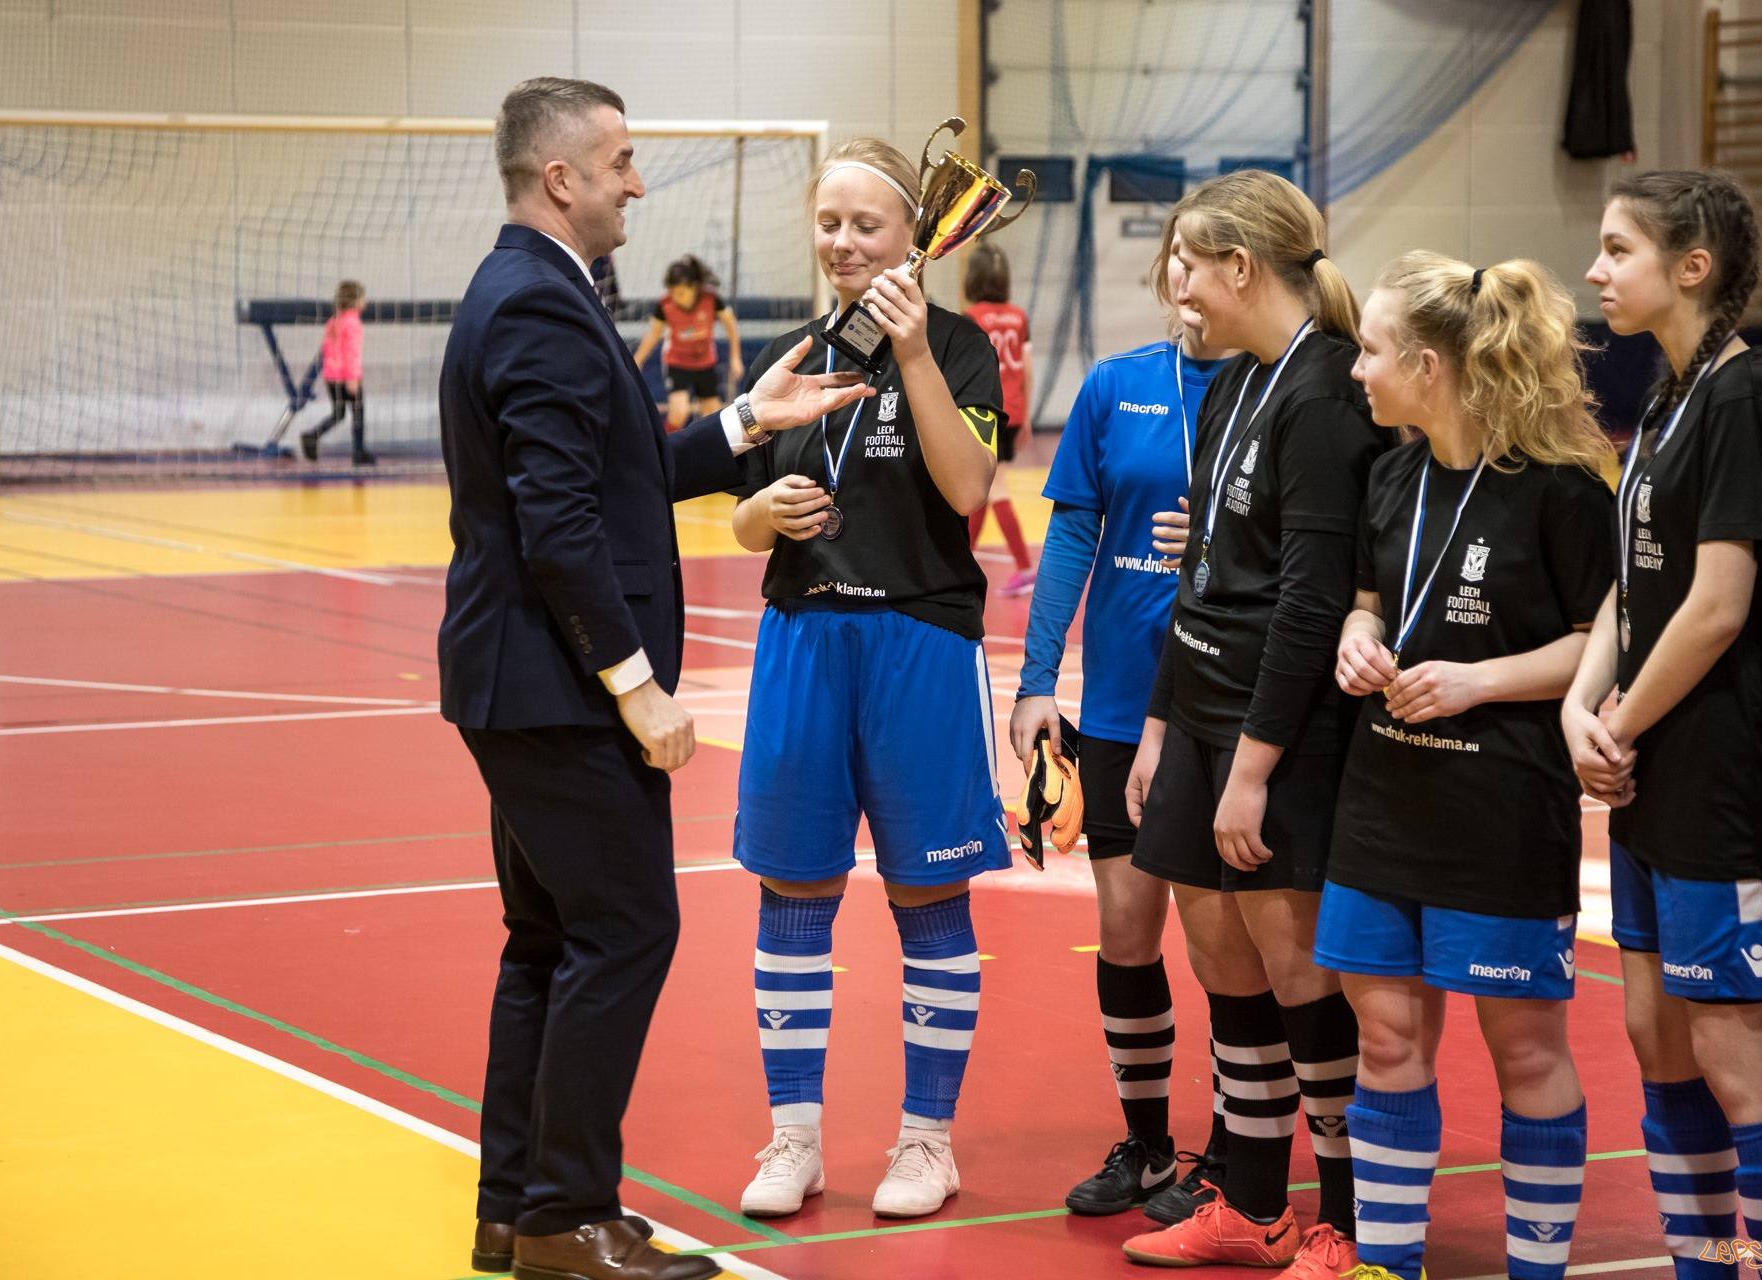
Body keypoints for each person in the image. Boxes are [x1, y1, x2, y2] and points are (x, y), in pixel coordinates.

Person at [439, 77, 869, 1280]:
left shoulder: (540, 294)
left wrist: (742, 422)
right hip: (557, 687)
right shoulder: (538, 306)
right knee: (626, 927)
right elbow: (560, 525)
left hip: (521, 683)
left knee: (551, 939)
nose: (638, 180)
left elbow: (620, 472)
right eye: (620, 160)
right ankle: (570, 1219)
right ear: (561, 177)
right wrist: (634, 682)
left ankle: (516, 1210)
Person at [726, 134, 1009, 1223]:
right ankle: (794, 1137)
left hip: (920, 641)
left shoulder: (959, 345)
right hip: (802, 635)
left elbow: (970, 485)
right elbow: (746, 516)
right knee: (793, 886)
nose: (844, 243)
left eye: (867, 224)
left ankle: (926, 1143)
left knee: (928, 893)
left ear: (916, 239)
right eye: (830, 222)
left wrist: (917, 355)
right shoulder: (793, 354)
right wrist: (766, 512)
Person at [1116, 169, 1395, 1275]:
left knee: (1294, 966)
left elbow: (1311, 598)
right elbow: (1202, 575)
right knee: (1220, 950)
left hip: (1276, 730)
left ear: (1242, 266)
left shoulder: (1326, 393)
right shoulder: (1236, 386)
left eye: (1188, 260)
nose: (1174, 282)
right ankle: (1249, 1200)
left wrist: (1252, 768)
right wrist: (1156, 726)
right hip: (1196, 709)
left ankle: (1340, 1217)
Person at [1326, 252, 1616, 1280]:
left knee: (1526, 1046)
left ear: (1430, 363)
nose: (1358, 370)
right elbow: (1370, 596)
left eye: (1371, 351)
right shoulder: (1391, 473)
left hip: (1502, 804)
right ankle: (1386, 1264)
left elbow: (1598, 640)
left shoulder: (1563, 491)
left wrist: (1478, 681)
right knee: (1388, 1037)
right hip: (1381, 801)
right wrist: (1357, 640)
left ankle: (1535, 1267)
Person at [1564, 169, 1762, 1277]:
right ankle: (1704, 1259)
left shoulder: (1745, 395)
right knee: (1655, 1031)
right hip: (1650, 772)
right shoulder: (1670, 396)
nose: (1595, 269)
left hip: (1721, 770)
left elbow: (1720, 605)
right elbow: (1638, 585)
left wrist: (1616, 722)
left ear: (1692, 267)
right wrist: (1583, 702)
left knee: (1735, 1045)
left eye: (1618, 249)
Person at [1008, 233, 1233, 1220]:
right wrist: (1033, 677)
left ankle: (1233, 1154)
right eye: (1175, 252)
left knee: (1230, 942)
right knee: (1126, 929)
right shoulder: (1117, 383)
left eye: (1206, 254)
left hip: (1222, 706)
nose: (1183, 270)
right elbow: (1070, 533)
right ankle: (1146, 1144)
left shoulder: (1279, 392)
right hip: (1113, 706)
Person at [963, 242, 1038, 596]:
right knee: (987, 486)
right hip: (1013, 412)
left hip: (984, 411)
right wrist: (1026, 418)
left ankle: (1024, 567)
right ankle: (964, 556)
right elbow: (1027, 369)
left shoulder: (970, 318)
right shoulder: (1019, 317)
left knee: (994, 487)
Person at [635, 254, 743, 430]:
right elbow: (653, 335)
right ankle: (666, 451)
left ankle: (706, 454)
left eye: (681, 293)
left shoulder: (711, 299)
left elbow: (731, 324)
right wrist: (637, 361)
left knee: (712, 417)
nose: (676, 297)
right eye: (673, 293)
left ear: (695, 288)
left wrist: (735, 358)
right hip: (677, 362)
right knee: (679, 413)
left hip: (705, 361)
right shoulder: (665, 305)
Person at [300, 279, 373, 465]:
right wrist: (353, 377)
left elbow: (327, 348)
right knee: (358, 413)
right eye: (363, 297)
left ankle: (312, 436)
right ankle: (359, 453)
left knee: (338, 414)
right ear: (355, 301)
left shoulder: (334, 320)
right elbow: (351, 353)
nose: (366, 301)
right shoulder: (352, 323)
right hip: (346, 377)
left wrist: (332, 371)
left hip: (331, 377)